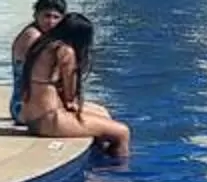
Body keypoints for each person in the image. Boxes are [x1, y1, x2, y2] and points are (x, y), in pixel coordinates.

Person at [18, 13, 130, 158]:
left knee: (102, 112)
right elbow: (70, 96)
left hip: (31, 117)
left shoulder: (42, 45)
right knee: (122, 132)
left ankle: (97, 161)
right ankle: (118, 173)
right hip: (49, 120)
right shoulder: (65, 51)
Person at [9, 0, 68, 123]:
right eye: (47, 16)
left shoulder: (47, 37)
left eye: (56, 17)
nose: (51, 21)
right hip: (23, 108)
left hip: (34, 105)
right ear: (36, 15)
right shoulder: (33, 36)